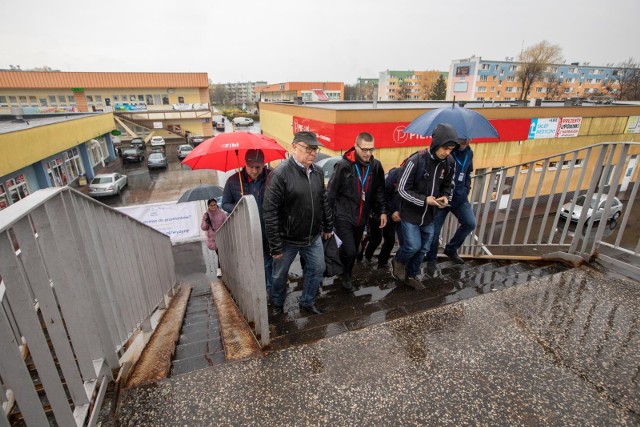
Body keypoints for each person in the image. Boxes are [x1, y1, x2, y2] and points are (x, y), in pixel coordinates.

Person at [263, 131, 333, 315]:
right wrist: (275, 245)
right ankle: (277, 303)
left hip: (312, 236)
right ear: (294, 147)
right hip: (287, 239)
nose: (313, 153)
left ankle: (307, 301)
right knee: (279, 274)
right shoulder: (280, 174)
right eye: (308, 149)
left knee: (318, 268)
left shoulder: (317, 172)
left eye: (315, 149)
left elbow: (323, 200)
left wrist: (328, 226)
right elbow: (270, 212)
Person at [391, 123, 459, 290]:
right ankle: (398, 261)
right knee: (412, 246)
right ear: (436, 144)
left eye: (451, 149)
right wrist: (424, 200)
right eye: (445, 148)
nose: (447, 152)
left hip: (430, 216)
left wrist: (445, 196)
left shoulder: (449, 162)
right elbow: (401, 189)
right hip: (410, 215)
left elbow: (449, 185)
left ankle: (412, 275)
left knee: (423, 249)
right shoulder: (416, 160)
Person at [327, 132, 386, 290]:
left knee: (355, 249)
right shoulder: (344, 166)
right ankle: (345, 275)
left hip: (362, 218)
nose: (368, 154)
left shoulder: (376, 166)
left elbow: (380, 190)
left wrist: (382, 211)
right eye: (364, 149)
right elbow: (331, 193)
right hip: (343, 216)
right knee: (352, 251)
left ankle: (347, 272)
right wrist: (327, 220)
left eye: (371, 150)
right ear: (355, 146)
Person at [222, 149, 273, 299]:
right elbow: (225, 203)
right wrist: (240, 208)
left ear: (263, 165)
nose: (254, 171)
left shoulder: (271, 177)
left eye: (258, 167)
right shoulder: (233, 181)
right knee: (250, 260)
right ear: (245, 164)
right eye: (251, 167)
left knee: (268, 261)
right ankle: (252, 288)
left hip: (267, 227)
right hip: (246, 228)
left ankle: (269, 291)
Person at [426, 138, 476, 275]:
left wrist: (466, 189)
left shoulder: (469, 153)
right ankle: (431, 260)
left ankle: (451, 249)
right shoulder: (447, 152)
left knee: (470, 223)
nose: (466, 139)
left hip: (460, 198)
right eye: (462, 136)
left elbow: (468, 173)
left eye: (468, 136)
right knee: (434, 232)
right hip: (442, 199)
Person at [363, 165, 404, 269]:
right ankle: (367, 257)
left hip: (389, 214)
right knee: (376, 239)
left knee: (390, 240)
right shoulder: (391, 177)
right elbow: (383, 196)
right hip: (377, 213)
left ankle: (383, 261)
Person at [201, 198, 228, 277]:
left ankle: (221, 269)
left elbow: (227, 223)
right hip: (213, 239)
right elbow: (203, 227)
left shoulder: (222, 214)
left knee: (221, 254)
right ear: (208, 206)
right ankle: (219, 269)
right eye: (211, 205)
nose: (213, 206)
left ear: (217, 205)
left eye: (214, 205)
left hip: (222, 236)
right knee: (219, 253)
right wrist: (206, 222)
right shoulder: (206, 215)